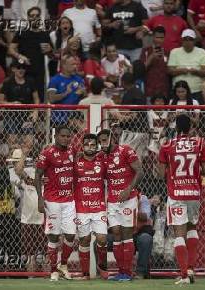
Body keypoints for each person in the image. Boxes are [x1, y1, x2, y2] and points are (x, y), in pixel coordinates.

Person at [158, 114, 205, 285]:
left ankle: (184, 275)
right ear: (191, 128)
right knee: (192, 229)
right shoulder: (200, 144)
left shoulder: (167, 145)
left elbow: (159, 174)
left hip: (176, 194)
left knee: (178, 234)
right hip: (194, 193)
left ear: (175, 127)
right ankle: (190, 269)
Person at [97, 128, 144, 281]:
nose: (102, 144)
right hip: (112, 201)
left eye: (104, 140)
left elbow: (140, 172)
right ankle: (121, 272)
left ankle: (127, 272)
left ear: (112, 138)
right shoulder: (102, 157)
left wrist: (128, 189)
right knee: (116, 232)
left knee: (126, 234)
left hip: (129, 199)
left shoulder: (126, 150)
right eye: (100, 141)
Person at [35, 125, 76, 281]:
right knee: (54, 236)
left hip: (69, 200)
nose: (66, 139)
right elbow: (38, 175)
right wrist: (40, 198)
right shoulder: (47, 154)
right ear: (56, 136)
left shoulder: (73, 151)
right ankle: (53, 270)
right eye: (63, 136)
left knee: (71, 235)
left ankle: (63, 265)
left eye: (68, 136)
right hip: (52, 201)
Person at [74, 134, 108, 279]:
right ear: (82, 146)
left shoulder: (102, 162)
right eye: (87, 144)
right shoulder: (75, 163)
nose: (90, 147)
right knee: (85, 239)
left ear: (97, 146)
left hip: (98, 207)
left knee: (102, 239)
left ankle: (101, 267)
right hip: (81, 208)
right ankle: (85, 273)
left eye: (93, 145)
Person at [8, 6, 53, 103]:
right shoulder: (21, 33)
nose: (35, 18)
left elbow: (52, 56)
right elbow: (10, 50)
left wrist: (50, 51)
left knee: (39, 102)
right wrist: (20, 56)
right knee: (24, 101)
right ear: (28, 18)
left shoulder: (44, 34)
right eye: (32, 16)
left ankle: (38, 118)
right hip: (23, 72)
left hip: (39, 73)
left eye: (37, 16)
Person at [0, 59, 40, 151]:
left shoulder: (30, 81)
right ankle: (12, 163)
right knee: (12, 142)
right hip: (11, 115)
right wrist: (12, 104)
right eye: (19, 68)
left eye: (23, 68)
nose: (21, 70)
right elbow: (0, 101)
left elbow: (36, 99)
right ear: (13, 69)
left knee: (29, 142)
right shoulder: (8, 82)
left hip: (27, 115)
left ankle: (26, 161)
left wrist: (35, 111)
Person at [167, 29, 205, 105]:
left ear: (194, 41)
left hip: (197, 91)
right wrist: (182, 71)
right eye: (185, 39)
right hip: (178, 93)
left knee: (197, 116)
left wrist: (195, 72)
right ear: (182, 40)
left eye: (190, 39)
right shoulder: (174, 52)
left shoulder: (202, 52)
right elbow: (170, 71)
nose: (187, 42)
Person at [140, 26, 169, 98]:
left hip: (164, 91)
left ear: (164, 38)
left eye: (161, 38)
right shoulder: (146, 51)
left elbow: (169, 70)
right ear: (153, 37)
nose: (159, 40)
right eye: (157, 37)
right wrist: (151, 57)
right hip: (149, 90)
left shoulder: (168, 52)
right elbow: (141, 69)